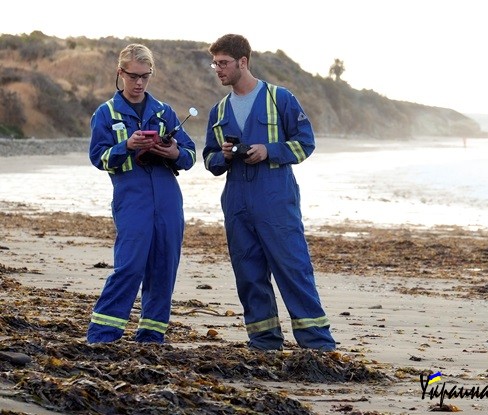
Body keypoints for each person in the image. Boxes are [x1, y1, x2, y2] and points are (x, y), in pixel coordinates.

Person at [202, 34, 336, 351]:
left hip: (275, 198)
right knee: (248, 274)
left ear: (243, 62)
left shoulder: (280, 98)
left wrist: (269, 150)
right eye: (215, 64)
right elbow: (208, 159)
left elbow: (305, 144)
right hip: (236, 201)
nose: (218, 69)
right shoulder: (218, 111)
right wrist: (225, 156)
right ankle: (264, 341)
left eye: (223, 63)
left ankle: (317, 343)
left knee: (292, 269)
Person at [87, 43, 196, 344]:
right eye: (133, 76)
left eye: (145, 76)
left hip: (168, 198)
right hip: (131, 198)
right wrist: (127, 146)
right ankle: (102, 335)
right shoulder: (106, 113)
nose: (139, 83)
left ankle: (151, 337)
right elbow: (98, 158)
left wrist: (173, 152)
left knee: (164, 267)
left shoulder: (164, 111)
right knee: (130, 266)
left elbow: (189, 155)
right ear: (120, 73)